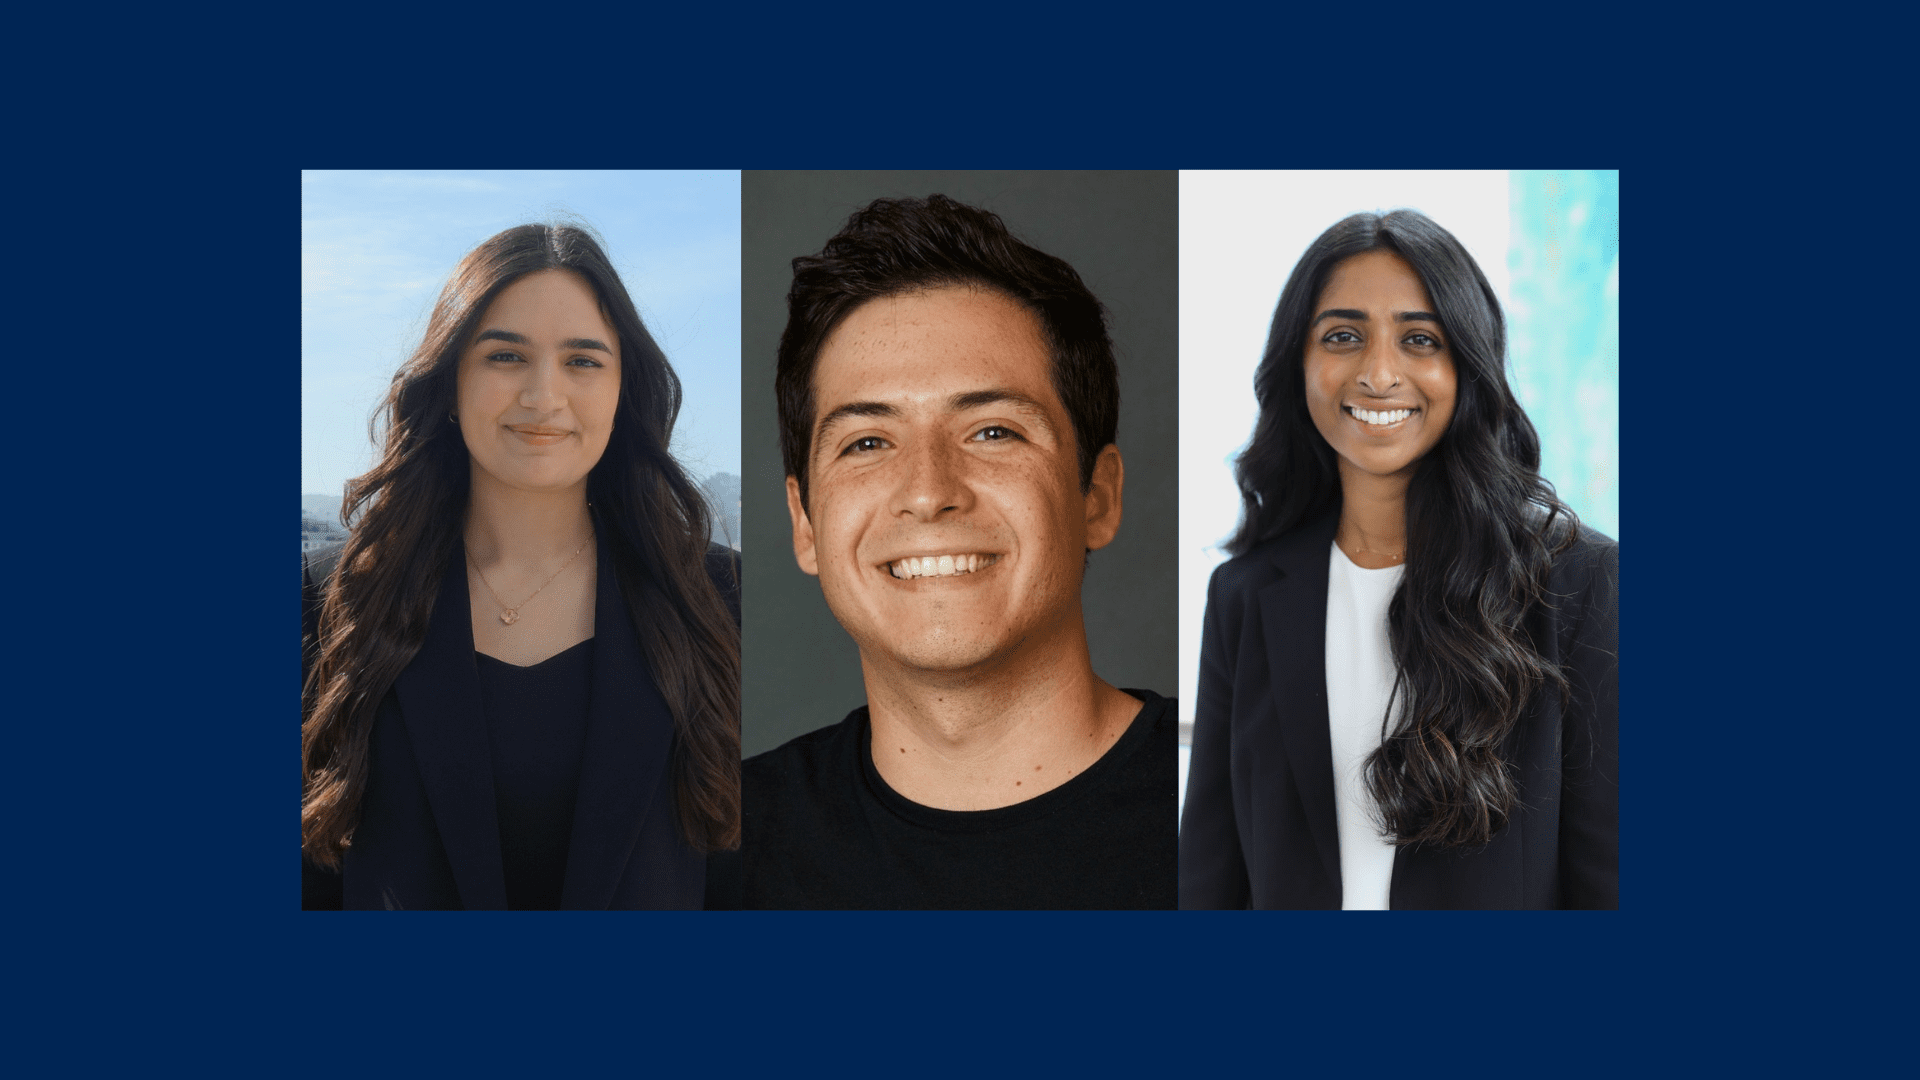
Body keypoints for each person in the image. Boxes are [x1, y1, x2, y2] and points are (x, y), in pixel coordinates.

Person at [713, 195, 1176, 909]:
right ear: (805, 523)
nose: (928, 492)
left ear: (1098, 495)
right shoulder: (711, 853)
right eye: (867, 442)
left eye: (993, 431)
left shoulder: (1247, 805)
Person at [1180, 209, 1618, 910]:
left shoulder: (1579, 582)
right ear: (1298, 364)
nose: (1379, 373)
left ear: (1467, 365)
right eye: (1343, 336)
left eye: (1420, 340)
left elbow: (1610, 881)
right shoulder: (1244, 595)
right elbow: (1209, 878)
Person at [301, 223, 739, 910]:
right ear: (449, 381)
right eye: (506, 356)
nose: (542, 396)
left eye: (583, 361)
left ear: (624, 390)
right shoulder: (329, 602)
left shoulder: (720, 600)